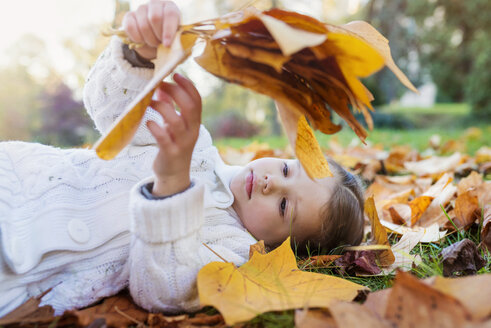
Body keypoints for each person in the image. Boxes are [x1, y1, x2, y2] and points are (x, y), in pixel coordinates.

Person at [0, 0, 364, 317]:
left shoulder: (230, 254)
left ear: (279, 248)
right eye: (287, 169)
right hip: (14, 183)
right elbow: (112, 107)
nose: (272, 182)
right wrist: (141, 56)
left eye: (285, 206)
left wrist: (172, 188)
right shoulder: (197, 144)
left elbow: (163, 288)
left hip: (23, 283)